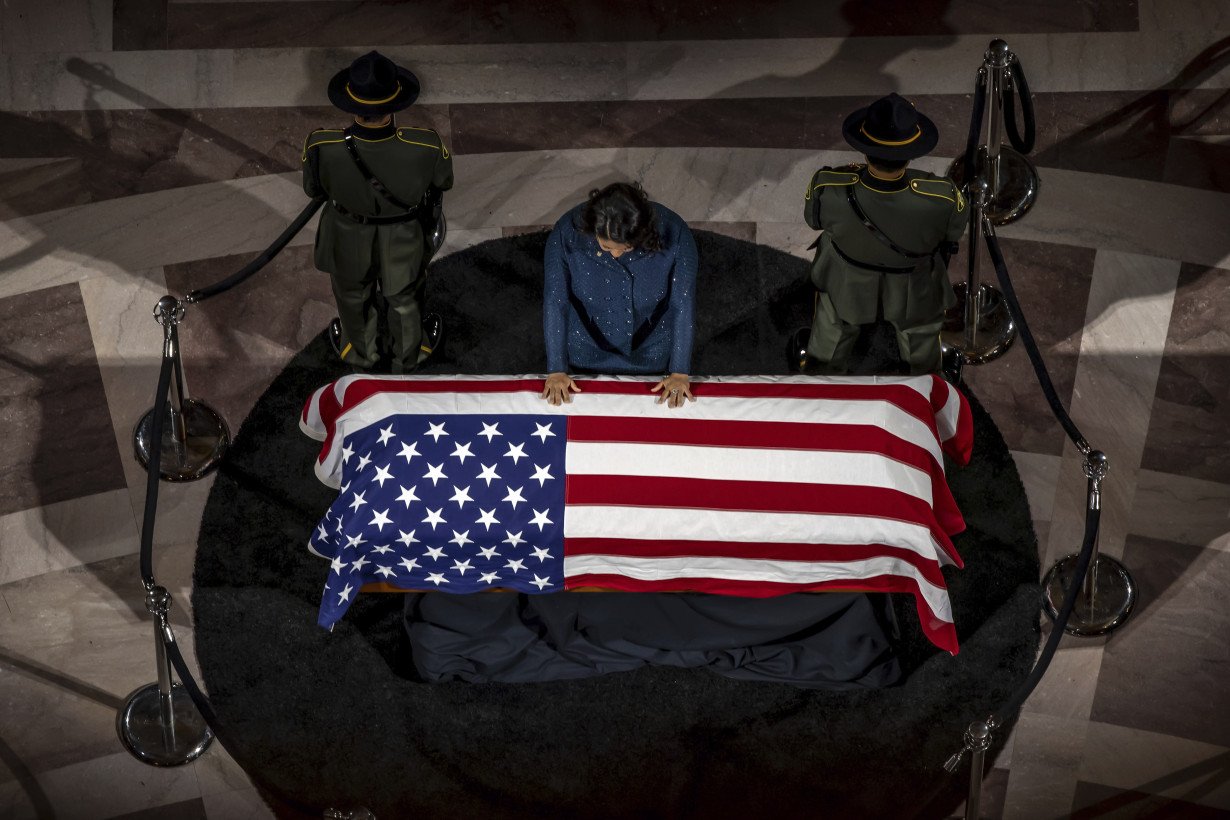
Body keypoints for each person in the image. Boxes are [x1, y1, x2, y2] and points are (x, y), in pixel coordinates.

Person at [302, 50, 453, 374]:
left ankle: (361, 353)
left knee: (353, 295)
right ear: (394, 103)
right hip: (402, 234)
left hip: (345, 231)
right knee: (404, 297)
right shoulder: (425, 144)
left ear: (351, 103)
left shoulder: (321, 145)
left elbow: (313, 190)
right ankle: (410, 354)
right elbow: (444, 180)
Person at [794, 92, 966, 375]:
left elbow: (813, 220)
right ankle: (923, 388)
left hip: (848, 278)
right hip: (913, 283)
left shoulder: (828, 186)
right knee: (919, 338)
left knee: (833, 329)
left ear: (865, 150)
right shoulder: (943, 197)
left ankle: (820, 377)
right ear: (910, 155)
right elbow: (951, 233)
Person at [541, 183, 698, 408]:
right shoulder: (566, 232)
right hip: (585, 348)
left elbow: (682, 302)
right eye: (606, 247)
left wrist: (680, 371)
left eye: (625, 248)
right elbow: (555, 300)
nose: (615, 254)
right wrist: (556, 368)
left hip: (652, 351)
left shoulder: (676, 231)